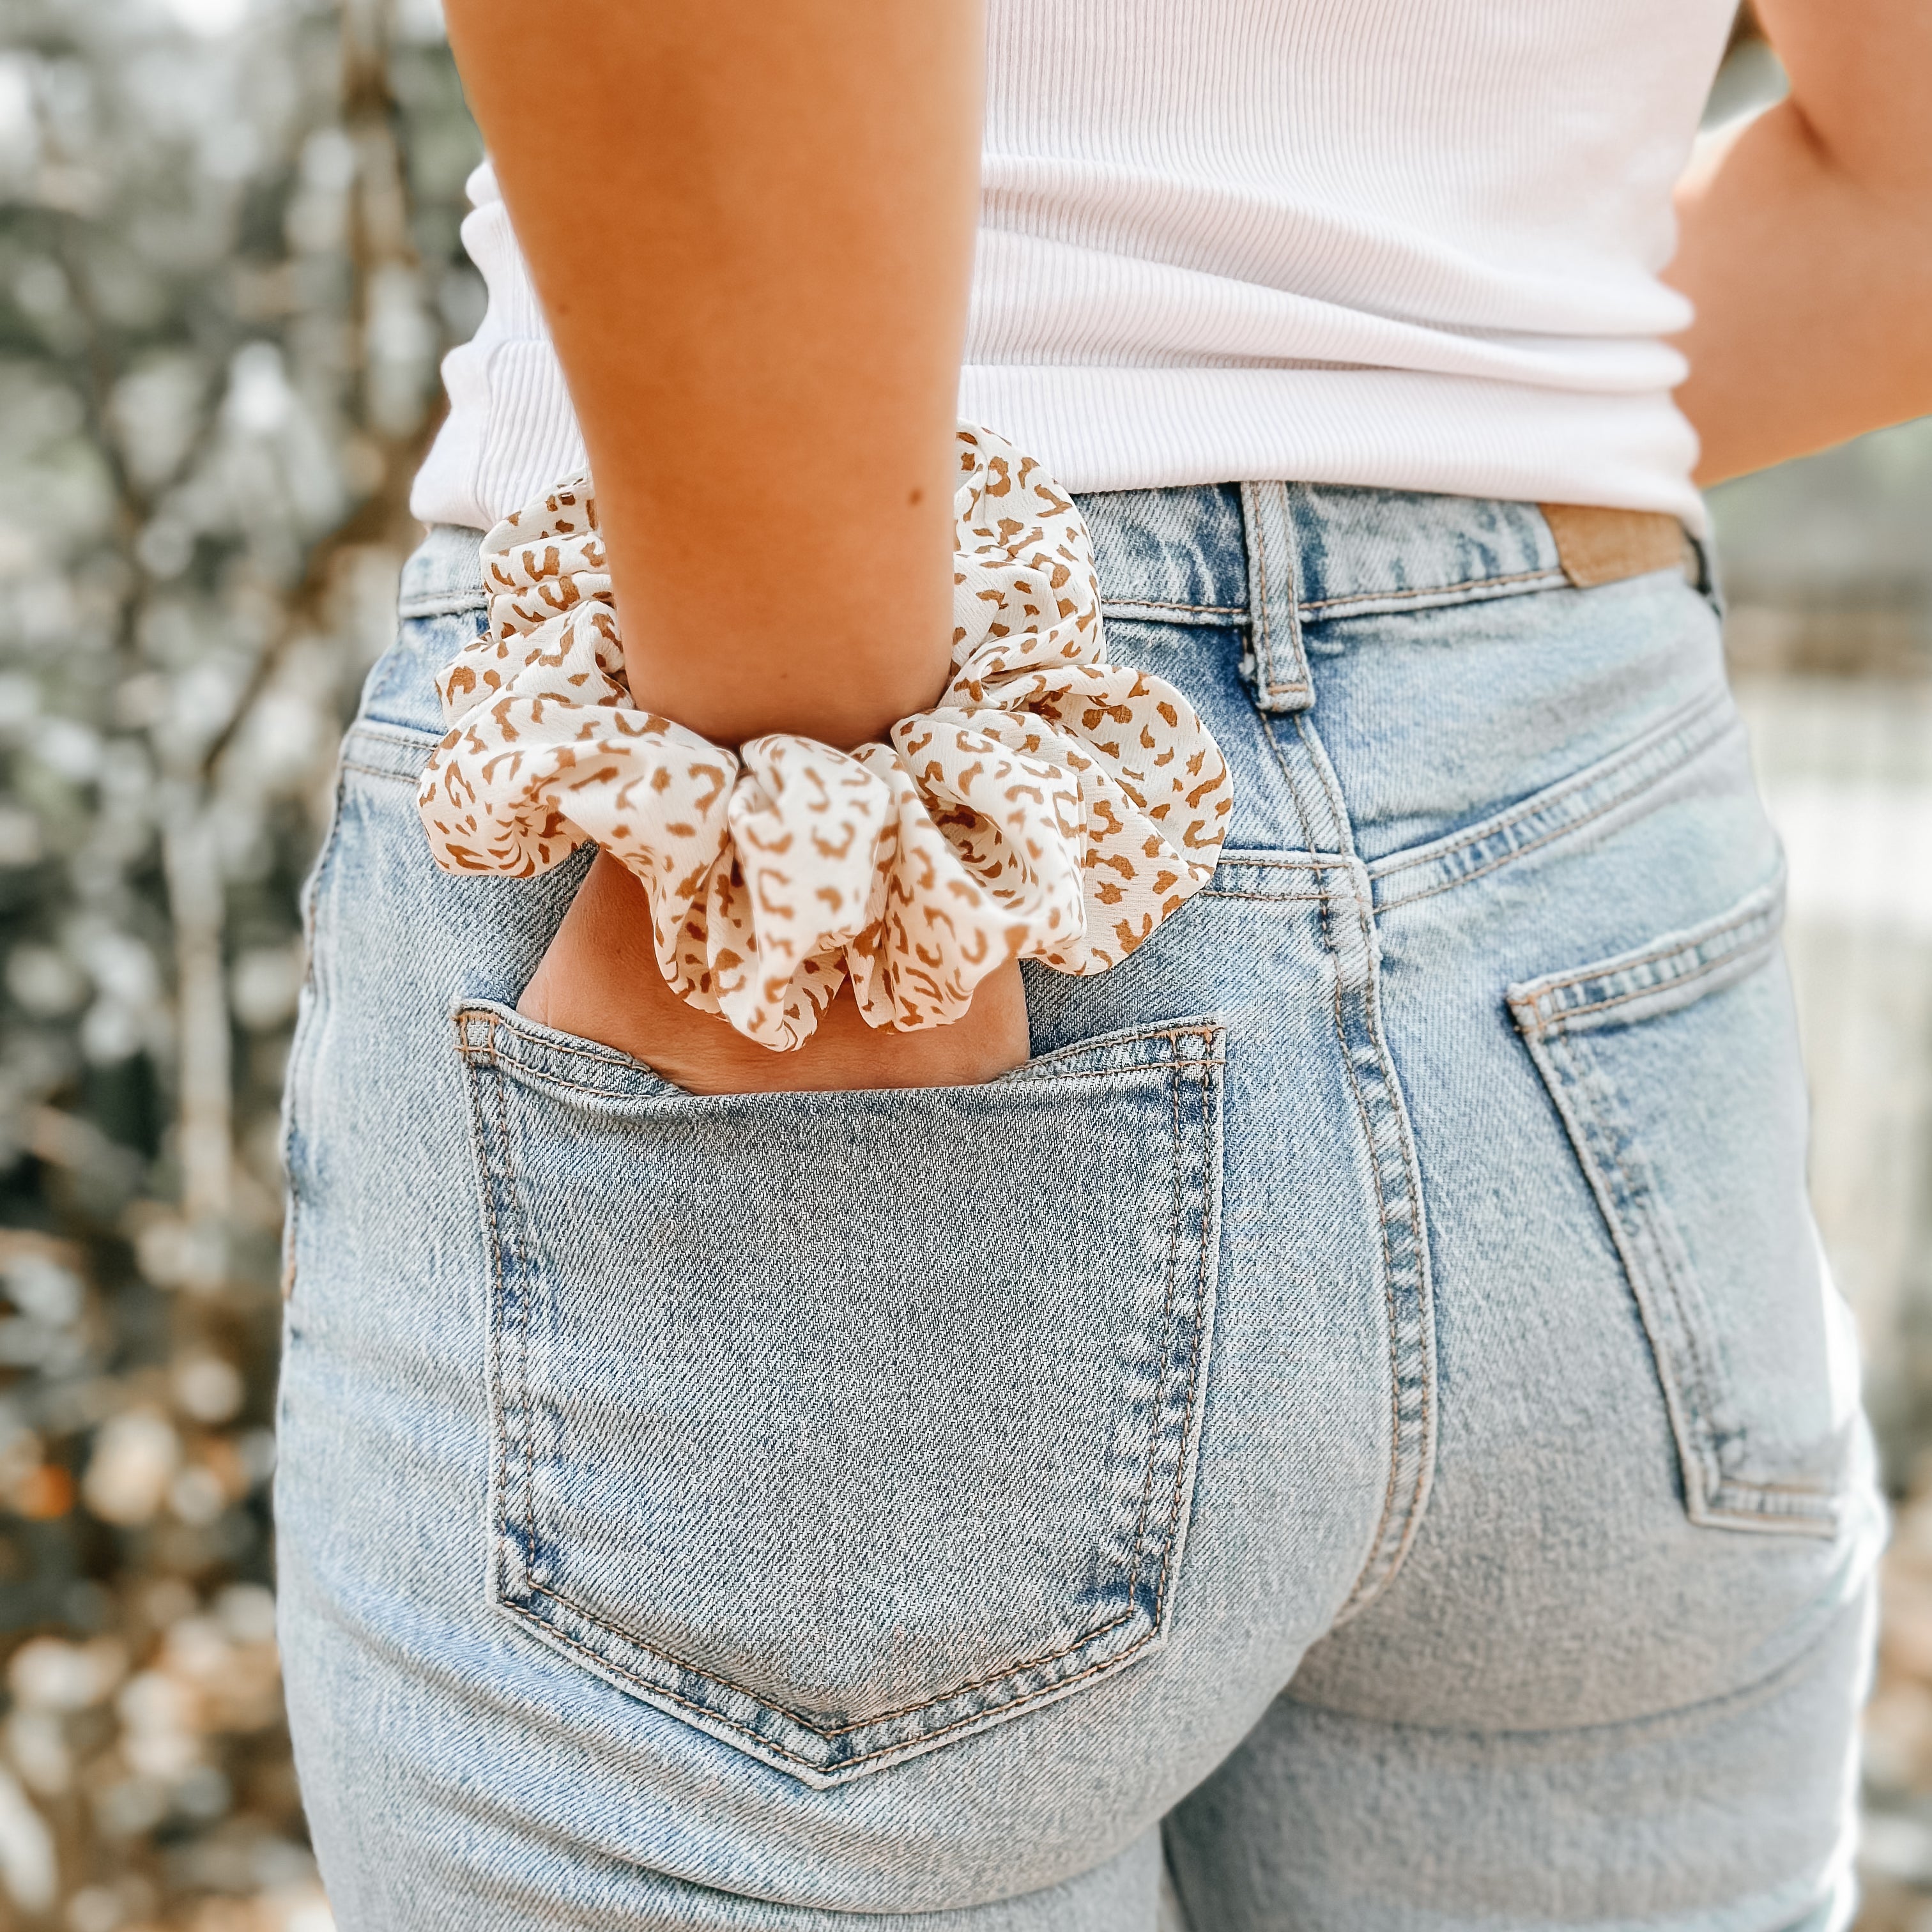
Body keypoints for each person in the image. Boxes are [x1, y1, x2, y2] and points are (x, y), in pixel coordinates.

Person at [273, 0, 1931, 1924]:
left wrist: (823, 785)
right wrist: (1423, 433)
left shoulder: (840, 803)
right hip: (1593, 850)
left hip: (863, 765)